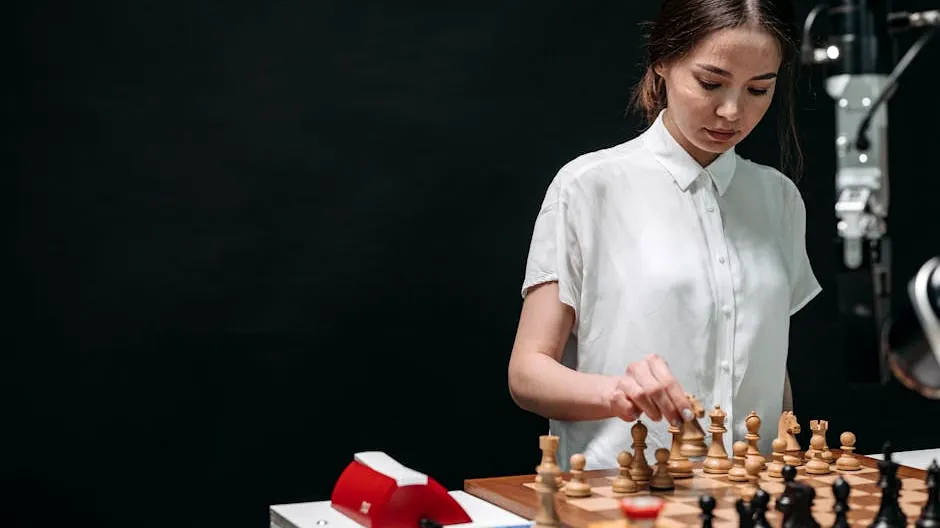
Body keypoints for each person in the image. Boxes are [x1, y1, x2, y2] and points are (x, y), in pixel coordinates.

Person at [507, 0, 821, 470]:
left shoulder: (778, 199)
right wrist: (618, 391)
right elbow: (527, 373)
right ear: (662, 60)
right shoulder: (590, 186)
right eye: (710, 83)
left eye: (759, 89)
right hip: (623, 491)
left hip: (752, 492)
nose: (732, 112)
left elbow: (770, 370)